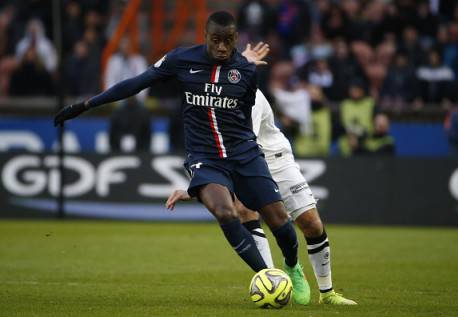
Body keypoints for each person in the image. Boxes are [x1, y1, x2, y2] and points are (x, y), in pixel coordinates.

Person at [54, 11, 310, 304]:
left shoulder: (247, 71)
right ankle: (268, 278)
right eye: (216, 41)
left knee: (282, 225)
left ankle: (292, 266)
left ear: (236, 39)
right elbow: (136, 83)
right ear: (205, 37)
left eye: (228, 41)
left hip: (244, 154)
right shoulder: (180, 59)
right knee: (225, 212)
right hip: (205, 157)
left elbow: (245, 113)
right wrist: (86, 104)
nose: (222, 48)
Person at [167, 85, 357, 305]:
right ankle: (273, 280)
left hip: (274, 158)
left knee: (311, 223)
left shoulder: (249, 95)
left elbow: (243, 141)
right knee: (244, 210)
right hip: (241, 161)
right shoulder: (210, 98)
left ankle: (325, 291)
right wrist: (199, 184)